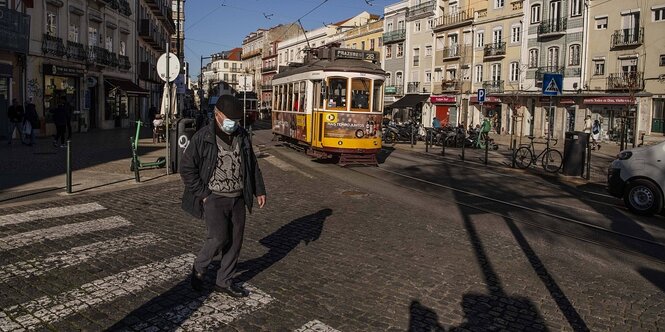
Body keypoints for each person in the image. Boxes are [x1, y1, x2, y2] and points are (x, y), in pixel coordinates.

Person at [180, 94, 266, 298]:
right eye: (230, 120)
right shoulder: (203, 137)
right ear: (217, 115)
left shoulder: (242, 135)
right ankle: (199, 267)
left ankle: (224, 281)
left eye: (236, 121)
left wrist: (259, 189)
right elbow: (186, 167)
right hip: (214, 198)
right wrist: (204, 194)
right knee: (218, 237)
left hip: (238, 197)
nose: (233, 124)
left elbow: (252, 164)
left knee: (235, 242)